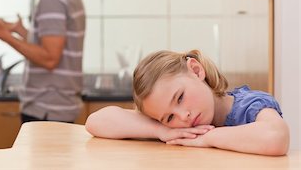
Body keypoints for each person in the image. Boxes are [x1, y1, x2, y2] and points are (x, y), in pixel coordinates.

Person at [85, 49, 290, 156]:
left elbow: (276, 137)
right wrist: (161, 131)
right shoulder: (174, 128)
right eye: (169, 116)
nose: (183, 116)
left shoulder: (250, 105)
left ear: (196, 70)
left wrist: (208, 138)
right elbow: (96, 121)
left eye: (180, 98)